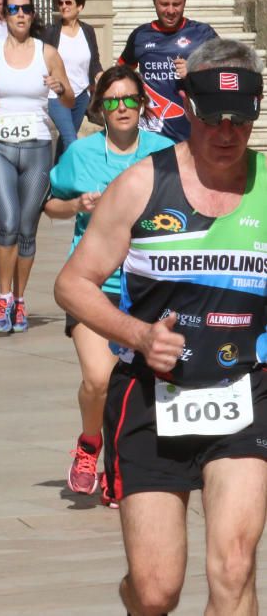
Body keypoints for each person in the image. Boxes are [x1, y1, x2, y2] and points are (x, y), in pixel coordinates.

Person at [55, 38, 267, 616]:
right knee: (156, 592)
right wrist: (139, 336)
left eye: (241, 120)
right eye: (213, 118)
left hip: (244, 395)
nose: (226, 132)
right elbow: (72, 284)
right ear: (187, 110)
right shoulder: (142, 184)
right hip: (151, 399)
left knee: (234, 567)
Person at [44, 65, 172, 501]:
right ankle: (89, 444)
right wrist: (76, 204)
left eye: (129, 100)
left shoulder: (164, 151)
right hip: (94, 287)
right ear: (100, 107)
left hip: (149, 287)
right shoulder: (80, 154)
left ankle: (121, 471)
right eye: (112, 100)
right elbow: (50, 205)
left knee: (140, 384)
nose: (122, 108)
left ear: (142, 105)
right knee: (99, 379)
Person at [0, 0, 73, 334]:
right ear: (4, 15)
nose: (20, 15)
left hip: (36, 144)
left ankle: (20, 299)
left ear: (33, 15)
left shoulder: (47, 53)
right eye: (13, 9)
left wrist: (60, 88)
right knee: (6, 222)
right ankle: (4, 296)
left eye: (26, 9)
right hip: (0, 146)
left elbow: (69, 100)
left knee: (27, 228)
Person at [119, 0, 218, 143]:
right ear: (154, 1)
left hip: (193, 134)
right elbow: (120, 73)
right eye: (164, 4)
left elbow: (230, 70)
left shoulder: (202, 33)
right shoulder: (140, 35)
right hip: (150, 135)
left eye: (176, 4)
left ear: (185, 1)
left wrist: (196, 69)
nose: (170, 11)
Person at [43, 0, 103, 160]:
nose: (64, 6)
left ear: (80, 7)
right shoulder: (51, 33)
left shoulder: (88, 31)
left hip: (81, 96)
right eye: (60, 3)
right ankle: (82, 181)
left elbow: (94, 62)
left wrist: (101, 77)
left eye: (68, 2)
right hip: (57, 96)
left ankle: (54, 182)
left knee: (65, 142)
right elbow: (40, 61)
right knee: (71, 140)